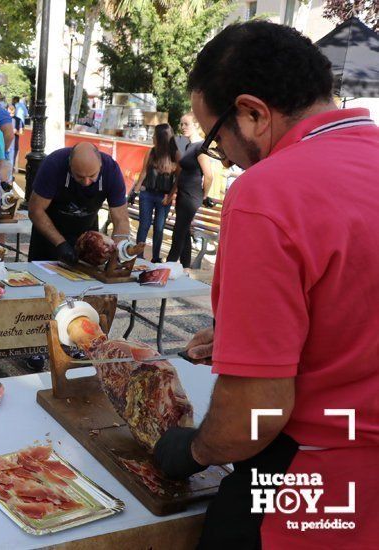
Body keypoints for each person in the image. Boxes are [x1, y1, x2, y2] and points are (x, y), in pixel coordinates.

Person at [152, 21, 378, 549]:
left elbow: (254, 413)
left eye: (215, 138)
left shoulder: (268, 193)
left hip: (314, 487)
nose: (220, 157)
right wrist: (245, 340)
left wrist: (195, 451)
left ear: (252, 113)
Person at [28, 143, 132, 263]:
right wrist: (60, 244)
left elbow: (120, 218)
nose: (86, 182)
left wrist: (118, 252)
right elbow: (36, 210)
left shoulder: (111, 170)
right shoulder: (53, 164)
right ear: (70, 165)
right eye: (79, 176)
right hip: (48, 233)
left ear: (100, 165)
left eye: (92, 176)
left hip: (87, 236)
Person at [166, 113, 212, 268]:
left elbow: (209, 176)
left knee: (178, 232)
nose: (183, 127)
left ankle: (168, 267)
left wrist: (204, 196)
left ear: (197, 125)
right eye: (181, 124)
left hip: (191, 197)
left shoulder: (201, 147)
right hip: (183, 195)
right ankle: (185, 266)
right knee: (184, 232)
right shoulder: (188, 145)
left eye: (186, 124)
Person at [128, 124, 178, 263]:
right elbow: (144, 172)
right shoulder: (151, 152)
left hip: (164, 195)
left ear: (161, 138)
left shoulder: (174, 155)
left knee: (159, 227)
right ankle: (139, 255)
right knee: (144, 224)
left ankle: (155, 257)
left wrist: (171, 195)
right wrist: (135, 191)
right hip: (148, 194)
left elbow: (178, 178)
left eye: (155, 135)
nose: (153, 137)